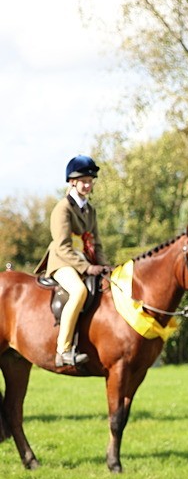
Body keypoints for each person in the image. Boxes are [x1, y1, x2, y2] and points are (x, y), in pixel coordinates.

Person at [34, 155, 109, 367]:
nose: (88, 185)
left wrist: (105, 266)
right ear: (72, 182)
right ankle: (63, 350)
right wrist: (87, 267)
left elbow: (96, 243)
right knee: (79, 291)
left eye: (90, 181)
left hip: (85, 261)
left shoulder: (90, 210)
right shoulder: (63, 208)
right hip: (62, 262)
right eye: (84, 181)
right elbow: (63, 246)